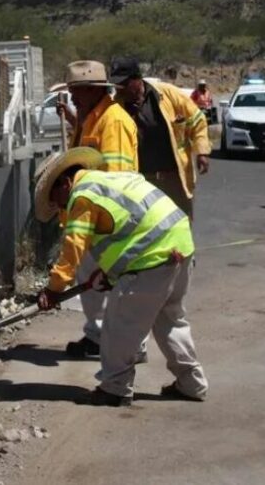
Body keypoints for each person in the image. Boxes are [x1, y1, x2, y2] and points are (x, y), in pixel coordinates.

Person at [34, 147, 208, 407]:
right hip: (179, 245)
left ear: (65, 182)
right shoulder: (107, 179)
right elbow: (128, 228)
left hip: (151, 259)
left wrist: (53, 289)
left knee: (117, 327)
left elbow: (72, 251)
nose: (59, 207)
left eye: (56, 199)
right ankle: (192, 383)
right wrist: (110, 273)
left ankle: (115, 388)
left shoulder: (82, 196)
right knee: (170, 319)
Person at [55, 60, 140, 360]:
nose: (73, 97)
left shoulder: (112, 122)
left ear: (93, 90)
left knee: (108, 284)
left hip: (107, 219)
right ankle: (98, 335)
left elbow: (117, 176)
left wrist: (103, 222)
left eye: (76, 91)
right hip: (96, 216)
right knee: (91, 282)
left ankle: (125, 343)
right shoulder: (92, 117)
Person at [109, 58, 211, 220]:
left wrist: (202, 152)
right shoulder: (116, 106)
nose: (119, 90)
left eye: (123, 84)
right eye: (116, 85)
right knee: (149, 230)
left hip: (173, 178)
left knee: (180, 226)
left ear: (137, 79)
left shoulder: (167, 94)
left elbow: (197, 121)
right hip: (140, 182)